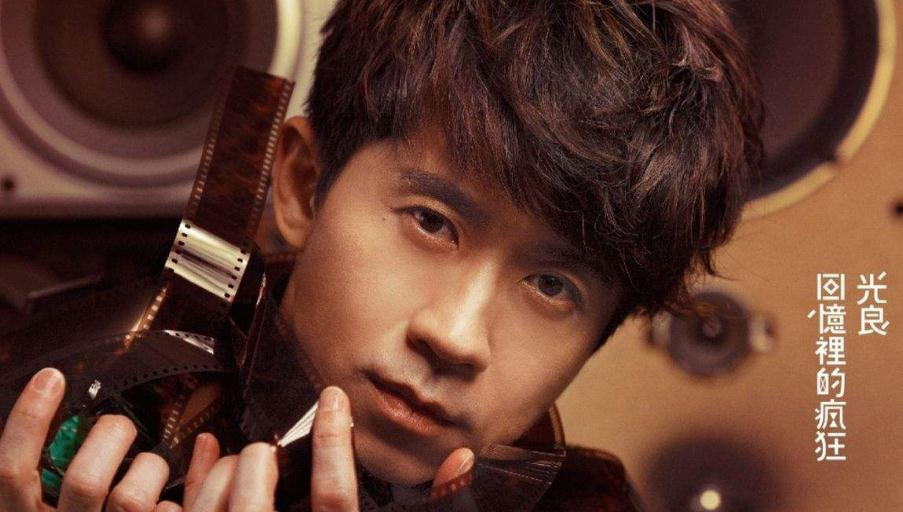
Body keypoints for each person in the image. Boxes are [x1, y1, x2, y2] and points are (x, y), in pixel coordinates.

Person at [0, 0, 763, 510]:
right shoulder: (33, 412)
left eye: (552, 285)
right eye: (431, 222)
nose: (455, 337)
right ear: (303, 186)